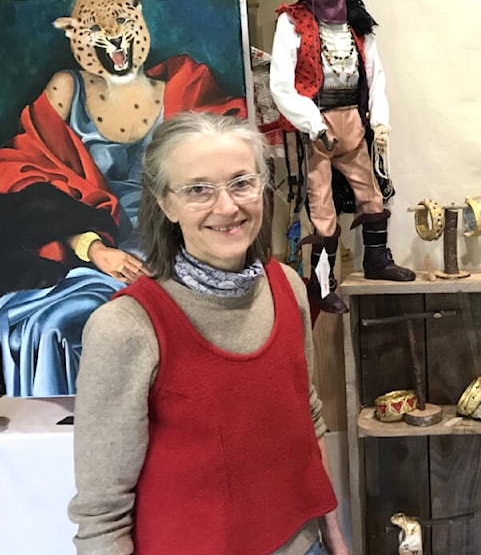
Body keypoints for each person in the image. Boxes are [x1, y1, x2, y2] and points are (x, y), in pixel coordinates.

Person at [68, 112, 349, 555]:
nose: (227, 207)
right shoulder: (126, 328)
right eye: (198, 189)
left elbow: (307, 418)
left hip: (304, 543)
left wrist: (333, 535)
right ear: (166, 204)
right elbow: (102, 513)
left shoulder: (288, 289)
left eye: (242, 182)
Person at [0, 0, 247, 396]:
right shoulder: (67, 89)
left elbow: (231, 171)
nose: (114, 37)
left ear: (139, 19)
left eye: (121, 22)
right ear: (74, 37)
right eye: (97, 30)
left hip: (178, 253)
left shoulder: (185, 89)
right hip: (93, 255)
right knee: (53, 325)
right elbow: (29, 185)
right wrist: (93, 248)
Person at [270, 0, 414, 318]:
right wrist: (313, 125)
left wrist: (380, 120)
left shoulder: (358, 23)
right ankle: (321, 283)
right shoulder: (291, 22)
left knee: (371, 194)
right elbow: (281, 85)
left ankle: (376, 260)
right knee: (321, 207)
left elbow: (376, 76)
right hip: (316, 125)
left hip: (354, 120)